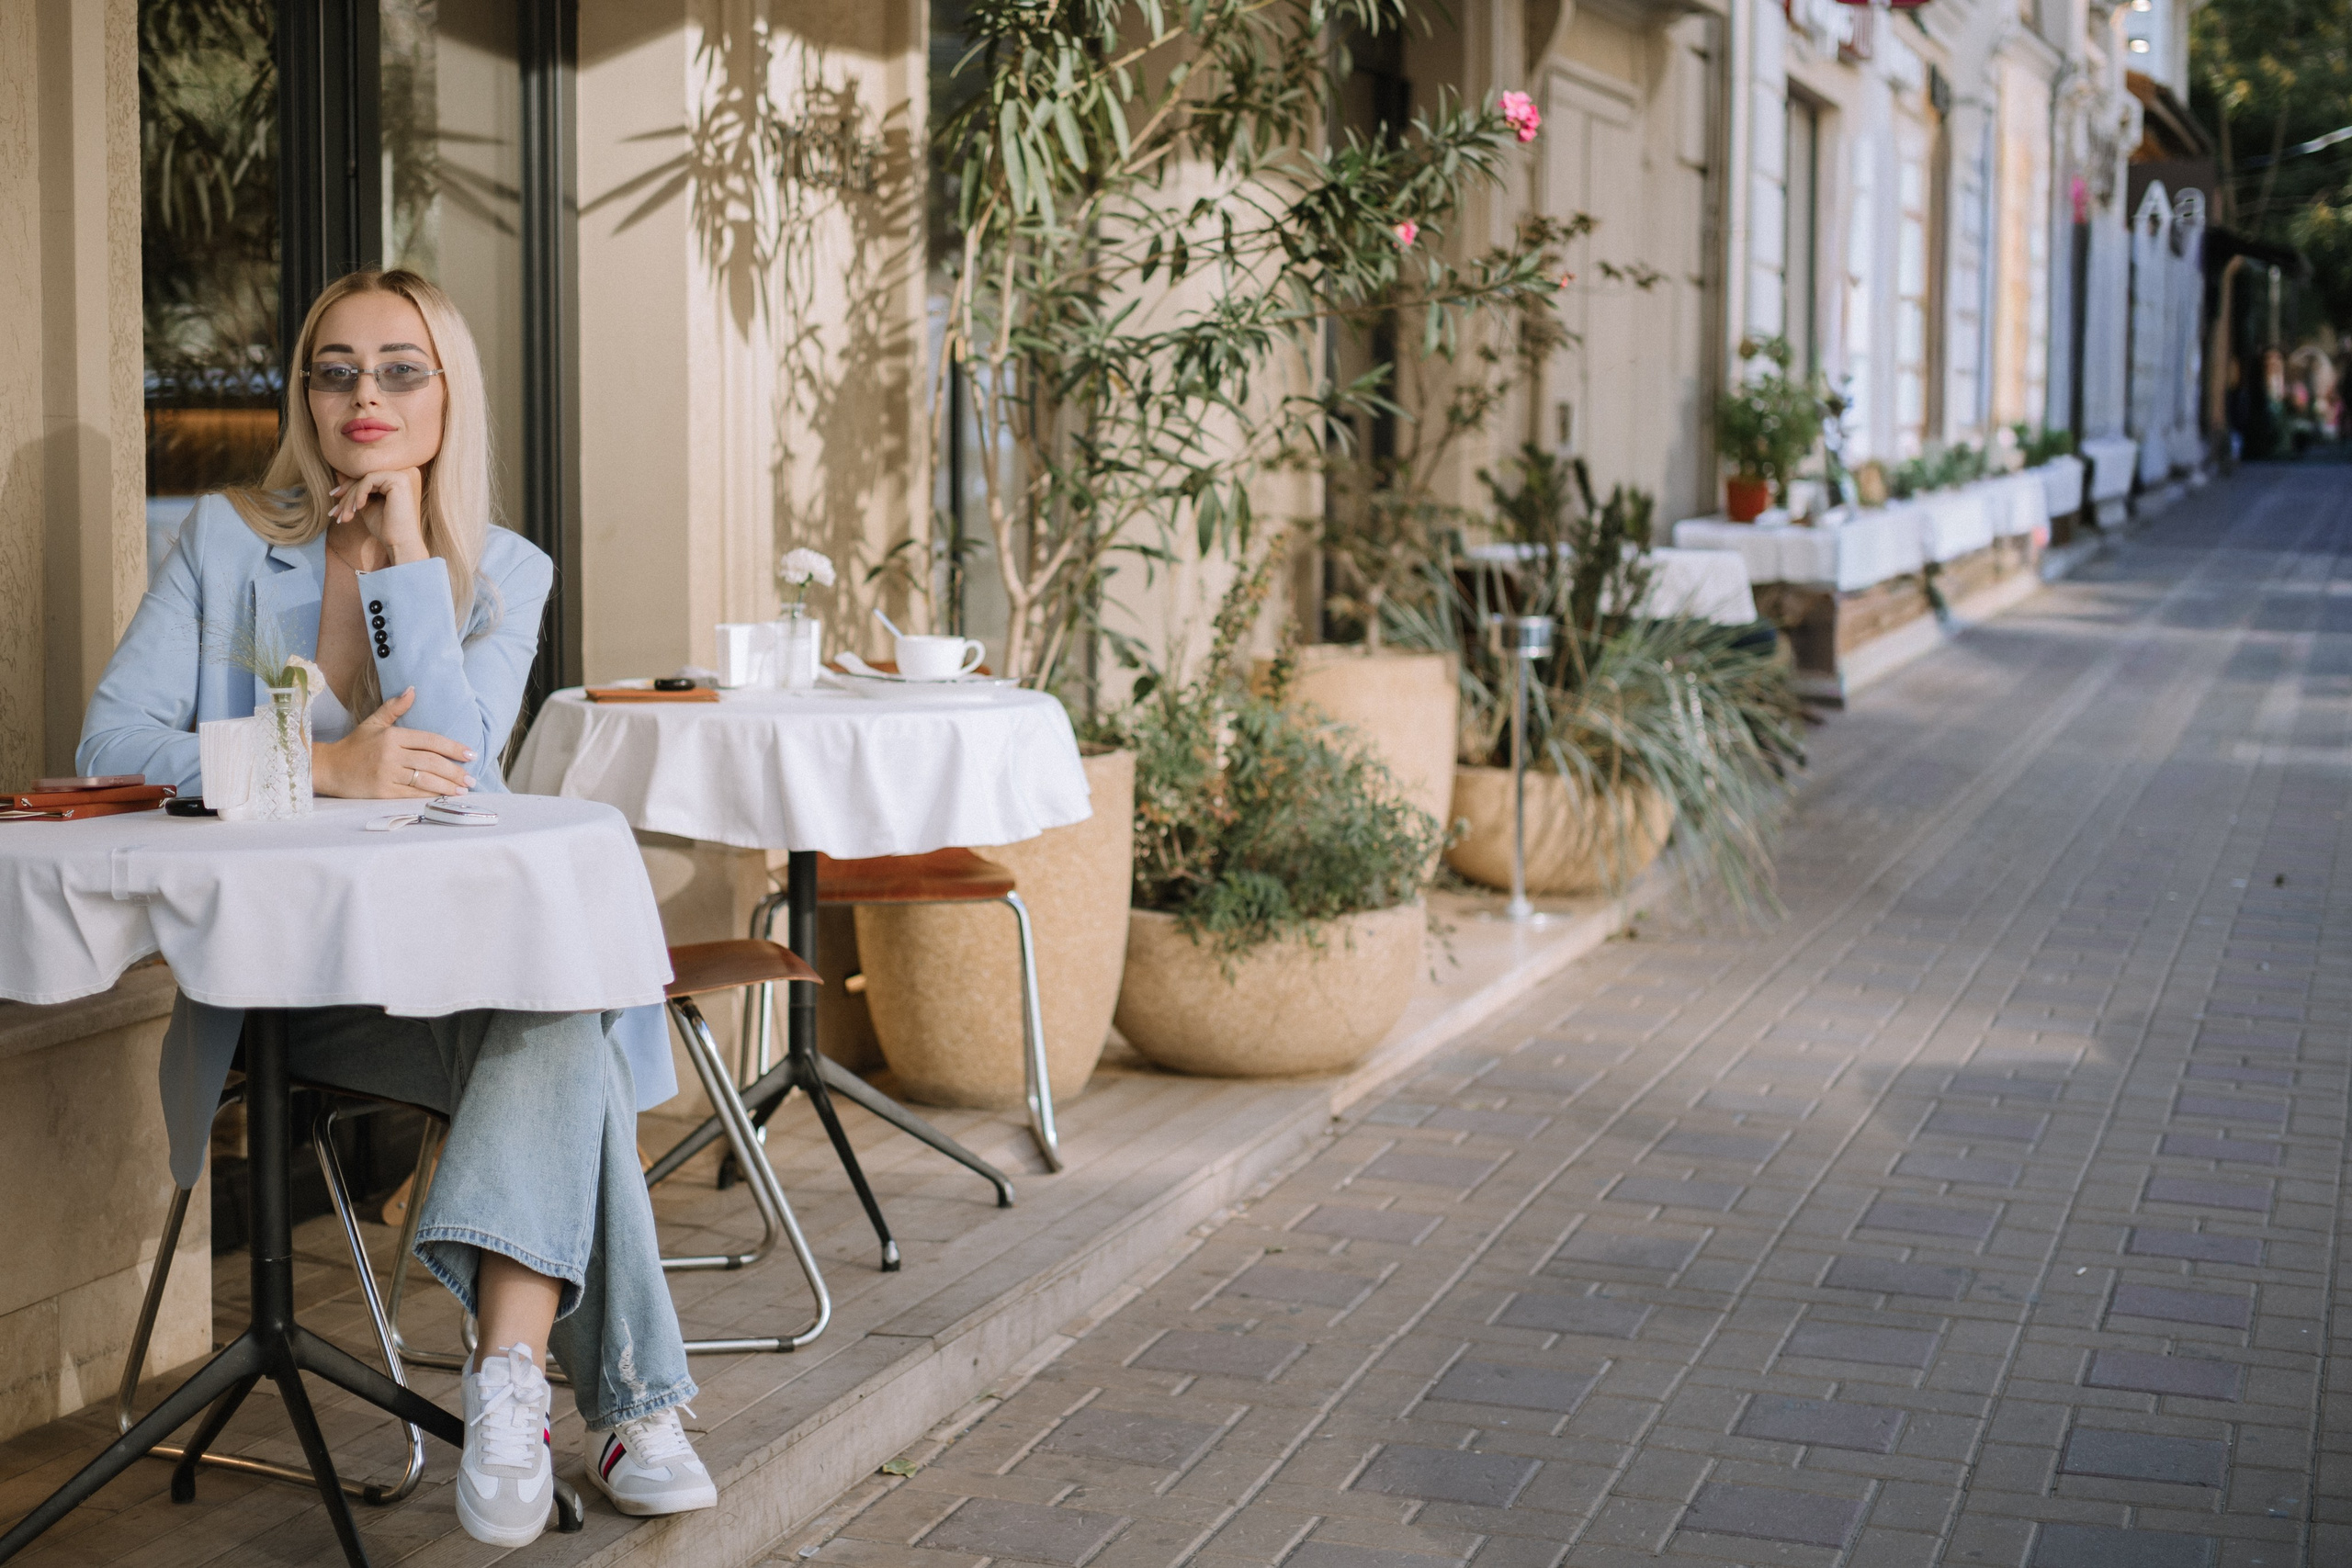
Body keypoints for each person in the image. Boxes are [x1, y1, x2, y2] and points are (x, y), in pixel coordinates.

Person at [79, 268, 714, 1548]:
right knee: (566, 1021)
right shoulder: (224, 540)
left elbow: (462, 775)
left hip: (452, 980)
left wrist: (411, 557)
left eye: (400, 369)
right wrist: (318, 764)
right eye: (335, 368)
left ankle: (505, 1381)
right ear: (306, 394)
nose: (364, 395)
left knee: (550, 1007)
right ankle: (627, 1406)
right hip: (279, 992)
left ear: (446, 395)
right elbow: (110, 746)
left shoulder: (502, 575)